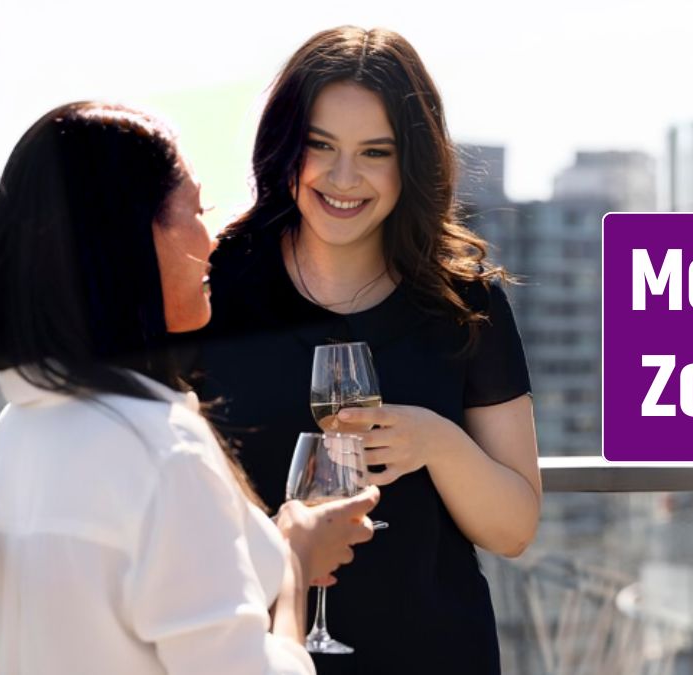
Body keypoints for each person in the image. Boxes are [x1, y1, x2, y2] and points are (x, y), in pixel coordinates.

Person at [0, 101, 379, 675]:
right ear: (128, 240)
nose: (210, 239)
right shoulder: (161, 450)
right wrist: (295, 568)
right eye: (195, 208)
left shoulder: (19, 429)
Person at [192, 27, 541, 674]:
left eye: (374, 152)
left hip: (436, 655)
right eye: (320, 145)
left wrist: (437, 442)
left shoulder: (465, 302)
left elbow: (515, 527)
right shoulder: (217, 287)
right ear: (284, 146)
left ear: (411, 162)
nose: (343, 177)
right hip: (259, 657)